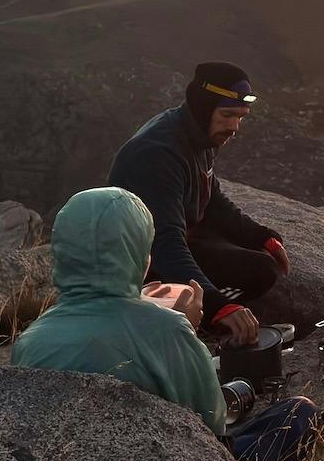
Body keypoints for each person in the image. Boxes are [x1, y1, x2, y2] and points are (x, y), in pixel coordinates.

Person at [12, 186, 318, 461]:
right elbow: (211, 421)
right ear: (139, 258)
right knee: (299, 413)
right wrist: (186, 330)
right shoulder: (167, 329)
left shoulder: (30, 340)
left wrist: (141, 306)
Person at [110, 61, 290, 347]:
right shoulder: (158, 153)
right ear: (204, 107)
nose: (234, 127)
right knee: (259, 273)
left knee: (262, 263)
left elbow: (212, 198)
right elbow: (164, 243)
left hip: (176, 238)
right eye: (228, 115)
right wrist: (219, 306)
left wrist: (261, 236)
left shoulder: (197, 134)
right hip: (142, 264)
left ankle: (205, 306)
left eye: (241, 117)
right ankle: (199, 319)